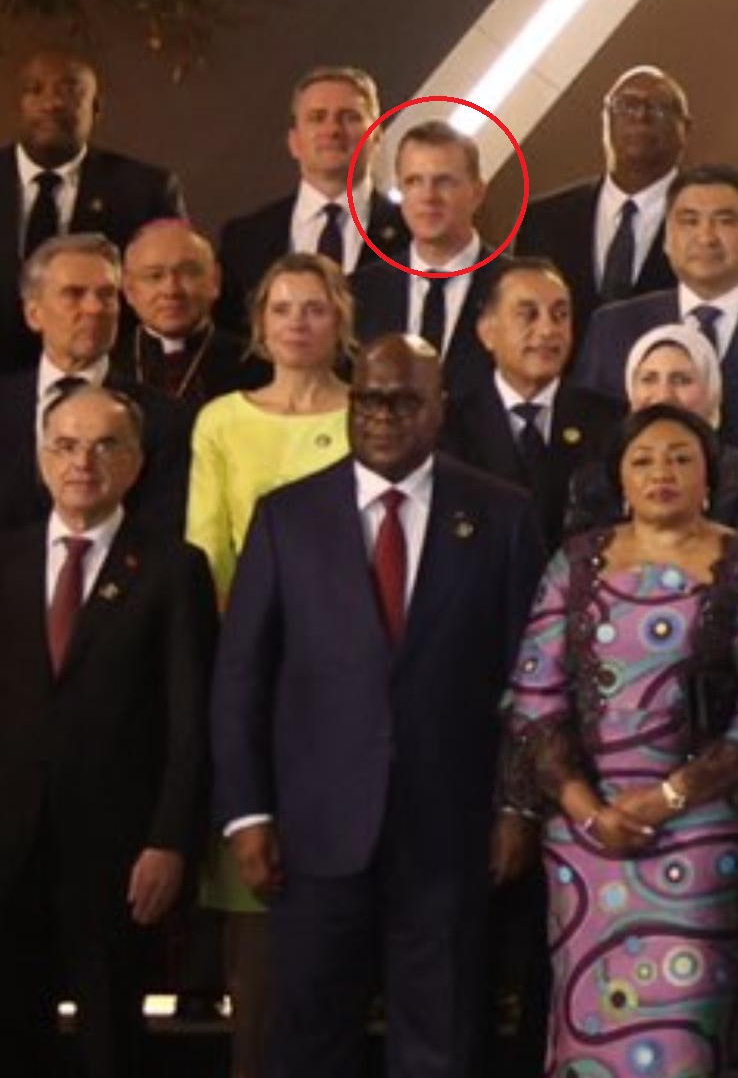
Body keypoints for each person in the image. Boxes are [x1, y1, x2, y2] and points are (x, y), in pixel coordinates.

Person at [210, 332, 544, 1077]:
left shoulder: (503, 515)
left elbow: (531, 683)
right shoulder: (287, 515)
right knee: (307, 1045)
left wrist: (517, 806)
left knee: (440, 1047)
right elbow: (242, 678)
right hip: (314, 836)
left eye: (403, 401)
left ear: (440, 407)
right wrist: (247, 813)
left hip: (451, 837)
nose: (382, 416)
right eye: (368, 399)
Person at [501, 402, 738, 1077]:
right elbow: (535, 699)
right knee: (590, 1022)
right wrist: (584, 807)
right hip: (587, 838)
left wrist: (670, 797)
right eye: (643, 460)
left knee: (687, 1029)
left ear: (709, 477)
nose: (662, 472)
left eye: (681, 459)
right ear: (620, 480)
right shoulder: (575, 563)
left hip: (704, 830)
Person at [0, 385, 216, 1078]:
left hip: (118, 856)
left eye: (104, 445)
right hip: (11, 848)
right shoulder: (7, 558)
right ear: (41, 456)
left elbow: (191, 720)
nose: (82, 463)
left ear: (136, 462)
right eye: (65, 445)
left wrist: (169, 840)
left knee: (110, 1046)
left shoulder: (174, 568)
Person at [187, 251, 351, 1077]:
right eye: (281, 308)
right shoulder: (221, 420)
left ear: (340, 320)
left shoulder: (367, 415)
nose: (297, 322)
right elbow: (206, 552)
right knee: (258, 959)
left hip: (347, 687)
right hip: (251, 678)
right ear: (258, 323)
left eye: (313, 307)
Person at [0, 48, 186, 373]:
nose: (51, 103)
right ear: (19, 105)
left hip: (109, 377)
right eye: (35, 90)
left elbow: (171, 289)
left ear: (96, 108)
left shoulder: (144, 189)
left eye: (69, 91)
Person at [0, 232, 192, 536]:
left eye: (106, 295)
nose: (95, 308)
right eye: (74, 294)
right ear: (33, 313)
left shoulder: (166, 419)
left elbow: (160, 536)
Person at [443, 257, 623, 550]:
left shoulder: (610, 421)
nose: (548, 330)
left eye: (560, 315)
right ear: (487, 332)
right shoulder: (449, 425)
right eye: (528, 315)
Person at [216, 65, 407, 333]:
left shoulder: (413, 234)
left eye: (349, 117)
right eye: (317, 118)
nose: (332, 130)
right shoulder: (244, 239)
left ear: (376, 137)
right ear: (294, 141)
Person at [515, 66, 688, 340]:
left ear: (685, 128)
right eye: (627, 105)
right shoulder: (543, 219)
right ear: (605, 119)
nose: (640, 116)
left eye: (658, 108)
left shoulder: (717, 220)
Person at [576, 164, 738, 448]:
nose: (706, 237)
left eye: (725, 221)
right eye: (689, 221)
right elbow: (591, 435)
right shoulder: (613, 326)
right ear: (666, 239)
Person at [352, 120, 505, 406]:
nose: (428, 197)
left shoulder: (513, 286)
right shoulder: (360, 292)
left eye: (444, 182)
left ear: (477, 193)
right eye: (414, 181)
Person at [567, 322, 738, 533]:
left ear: (710, 390)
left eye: (682, 380)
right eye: (649, 379)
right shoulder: (593, 484)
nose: (664, 395)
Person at [115, 219, 266, 406]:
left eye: (188, 273)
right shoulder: (108, 366)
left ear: (215, 281)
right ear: (128, 289)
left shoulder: (257, 364)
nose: (171, 290)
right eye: (155, 276)